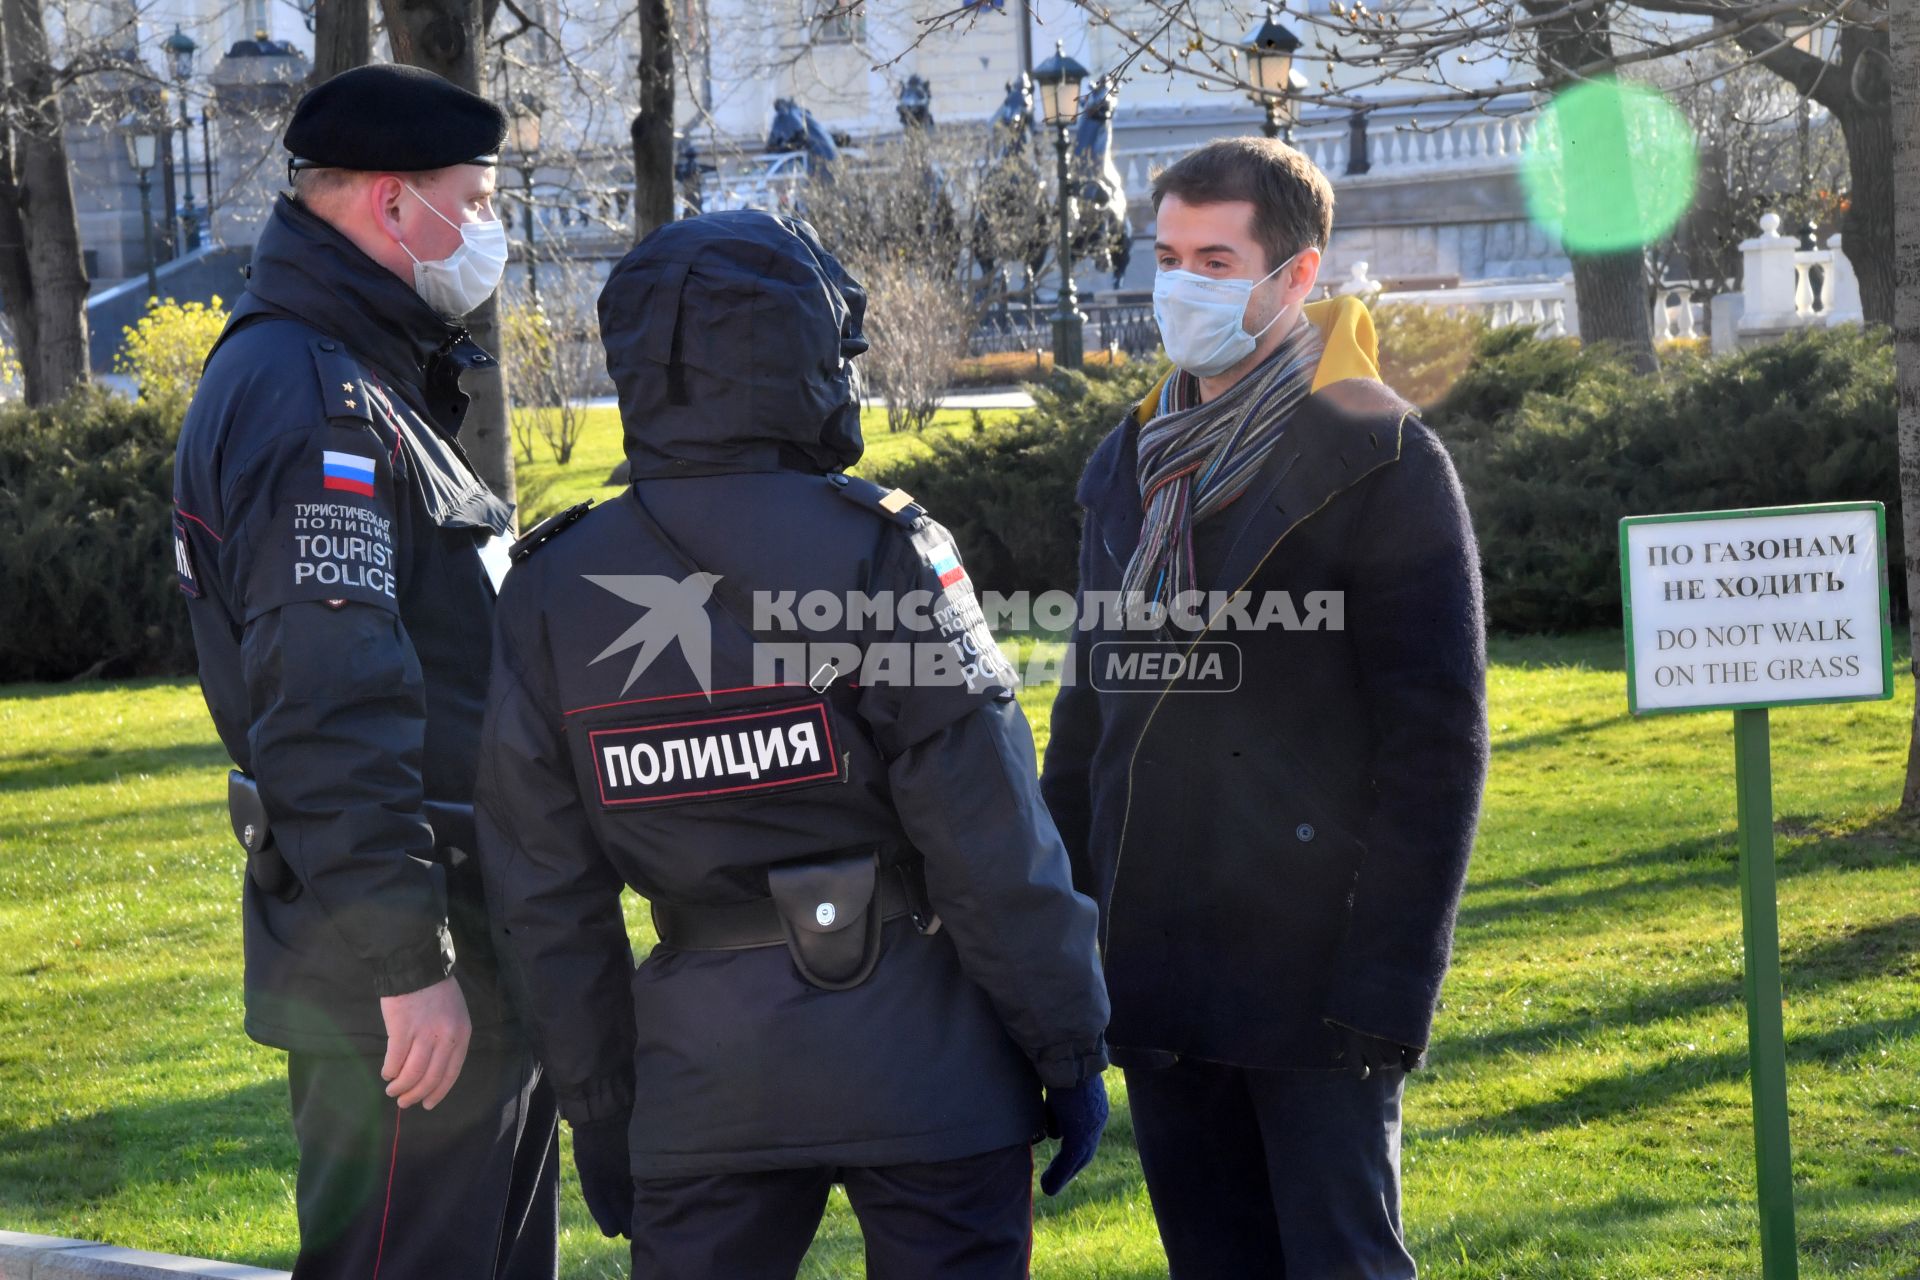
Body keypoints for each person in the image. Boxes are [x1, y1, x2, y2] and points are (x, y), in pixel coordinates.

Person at [473, 208, 1112, 1278]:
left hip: (702, 1064)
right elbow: (989, 830)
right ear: (810, 354)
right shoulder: (886, 546)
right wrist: (1067, 1040)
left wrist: (598, 1102)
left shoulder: (550, 581)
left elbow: (544, 888)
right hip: (927, 1052)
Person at [1040, 136, 1489, 1278]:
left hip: (1317, 980)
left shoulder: (1378, 453)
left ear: (1297, 277)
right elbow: (1089, 721)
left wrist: (1389, 984)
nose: (1180, 286)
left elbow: (1433, 745)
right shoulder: (1126, 463)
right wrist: (1064, 942)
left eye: (1216, 259)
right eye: (1168, 254)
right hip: (1159, 974)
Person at [171, 64, 558, 1280]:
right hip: (406, 963)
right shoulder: (312, 398)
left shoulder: (364, 373)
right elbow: (330, 707)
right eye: (476, 198)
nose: (489, 228)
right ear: (394, 207)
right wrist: (412, 966)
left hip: (461, 925)